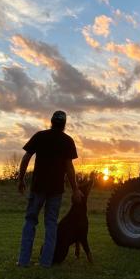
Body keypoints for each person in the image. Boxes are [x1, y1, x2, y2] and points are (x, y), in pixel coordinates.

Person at [16, 110, 83, 267]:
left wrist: (21, 179)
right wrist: (75, 189)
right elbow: (69, 168)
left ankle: (24, 261)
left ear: (51, 122)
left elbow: (26, 157)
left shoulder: (40, 136)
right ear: (64, 124)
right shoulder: (67, 141)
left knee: (30, 221)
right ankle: (46, 262)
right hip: (56, 190)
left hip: (38, 187)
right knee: (51, 224)